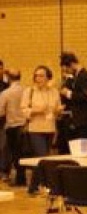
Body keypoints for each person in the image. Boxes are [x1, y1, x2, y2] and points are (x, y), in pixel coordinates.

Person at [21, 65, 62, 195]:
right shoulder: (29, 91)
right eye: (36, 75)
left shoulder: (54, 91)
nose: (38, 78)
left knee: (42, 159)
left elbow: (56, 110)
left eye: (41, 75)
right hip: (35, 128)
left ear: (48, 77)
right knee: (42, 156)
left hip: (50, 128)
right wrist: (36, 111)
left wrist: (57, 111)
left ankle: (33, 187)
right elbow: (23, 110)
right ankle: (48, 185)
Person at [59, 51, 87, 142]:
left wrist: (69, 93)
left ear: (72, 64)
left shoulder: (84, 76)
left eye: (67, 70)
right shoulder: (75, 77)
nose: (67, 72)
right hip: (79, 120)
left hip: (85, 120)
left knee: (84, 147)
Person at [0, 69, 27, 185]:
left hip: (12, 126)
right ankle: (22, 178)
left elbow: (0, 111)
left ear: (8, 78)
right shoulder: (26, 90)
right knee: (22, 153)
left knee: (14, 153)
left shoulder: (5, 93)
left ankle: (19, 180)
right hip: (25, 125)